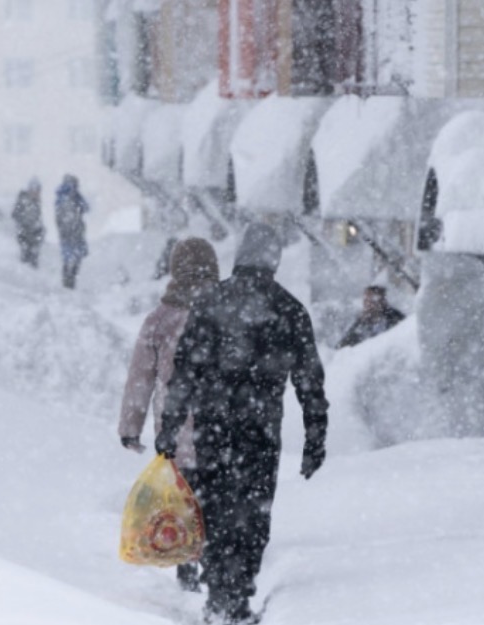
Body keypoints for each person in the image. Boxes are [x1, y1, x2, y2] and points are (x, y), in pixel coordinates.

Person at [157, 223, 329, 625]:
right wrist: (314, 436)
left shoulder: (209, 303)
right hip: (260, 430)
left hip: (212, 427)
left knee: (213, 506)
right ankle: (237, 593)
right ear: (274, 259)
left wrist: (170, 426)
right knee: (252, 512)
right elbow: (309, 380)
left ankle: (218, 589)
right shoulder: (288, 309)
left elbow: (185, 372)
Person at [118, 237, 221, 592]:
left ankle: (185, 566)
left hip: (175, 431)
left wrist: (131, 427)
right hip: (220, 429)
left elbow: (141, 377)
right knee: (214, 500)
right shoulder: (227, 311)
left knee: (180, 502)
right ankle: (214, 567)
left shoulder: (159, 319)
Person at [335, 285, 406, 349]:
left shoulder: (396, 319)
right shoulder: (360, 325)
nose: (367, 306)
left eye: (371, 301)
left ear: (382, 302)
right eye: (365, 301)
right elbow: (342, 348)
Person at [55, 174, 90, 288]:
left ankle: (69, 282)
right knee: (71, 259)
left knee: (71, 258)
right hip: (71, 234)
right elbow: (83, 209)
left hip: (72, 234)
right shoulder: (66, 199)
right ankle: (69, 283)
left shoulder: (71, 198)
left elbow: (85, 207)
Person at [11, 178, 45, 268]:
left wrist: (40, 231)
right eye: (36, 190)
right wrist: (24, 226)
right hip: (25, 235)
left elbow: (37, 219)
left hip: (33, 236)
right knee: (26, 259)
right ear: (31, 189)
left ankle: (31, 278)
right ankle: (24, 278)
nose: (37, 193)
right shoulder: (24, 201)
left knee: (33, 259)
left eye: (38, 190)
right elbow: (15, 215)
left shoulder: (36, 202)